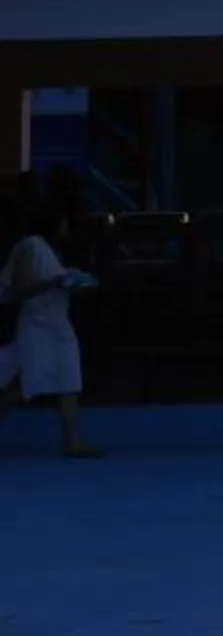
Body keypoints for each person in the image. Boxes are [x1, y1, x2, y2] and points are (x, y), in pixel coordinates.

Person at [1, 191, 101, 457]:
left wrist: (73, 282)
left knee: (68, 381)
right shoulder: (30, 246)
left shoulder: (47, 250)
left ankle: (73, 440)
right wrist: (56, 282)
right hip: (36, 326)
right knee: (22, 385)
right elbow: (20, 290)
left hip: (57, 324)